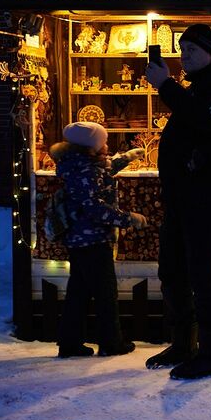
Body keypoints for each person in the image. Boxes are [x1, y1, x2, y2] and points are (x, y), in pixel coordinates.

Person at [145, 24, 211, 379]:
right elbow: (190, 117)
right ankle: (183, 343)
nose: (184, 55)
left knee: (203, 274)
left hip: (207, 194)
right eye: (181, 49)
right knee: (171, 271)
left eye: (191, 50)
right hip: (181, 196)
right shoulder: (197, 87)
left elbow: (203, 120)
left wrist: (165, 85)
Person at [51, 121, 146, 358]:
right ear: (91, 145)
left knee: (79, 291)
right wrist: (128, 219)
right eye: (102, 141)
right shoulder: (85, 170)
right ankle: (111, 342)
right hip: (91, 239)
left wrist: (127, 157)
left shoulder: (82, 164)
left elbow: (106, 169)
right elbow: (94, 207)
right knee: (105, 292)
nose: (106, 145)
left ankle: (70, 343)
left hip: (81, 239)